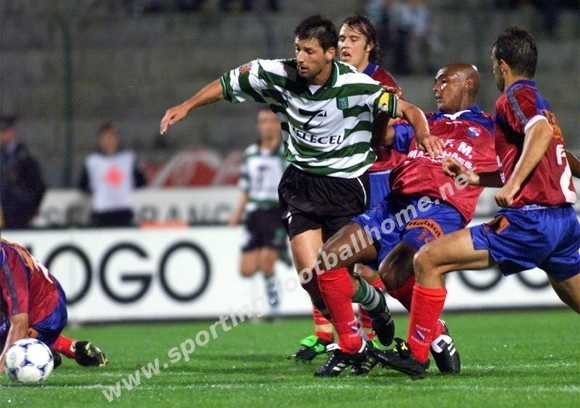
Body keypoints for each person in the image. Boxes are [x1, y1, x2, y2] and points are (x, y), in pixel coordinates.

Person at [160, 14, 440, 368]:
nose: (301, 58)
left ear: (329, 54)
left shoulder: (357, 84)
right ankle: (365, 319)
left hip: (345, 187)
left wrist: (424, 133)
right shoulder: (276, 73)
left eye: (309, 51)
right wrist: (187, 105)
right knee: (311, 280)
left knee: (336, 274)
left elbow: (410, 110)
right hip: (301, 183)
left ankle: (358, 332)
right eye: (298, 50)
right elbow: (228, 83)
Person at [374, 26, 580, 380]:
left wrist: (513, 184)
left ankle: (418, 355)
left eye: (494, 63)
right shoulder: (540, 103)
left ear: (502, 65)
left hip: (530, 220)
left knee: (427, 259)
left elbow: (540, 133)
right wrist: (476, 178)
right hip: (564, 222)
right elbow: (552, 147)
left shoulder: (513, 97)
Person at [312, 62, 498, 377]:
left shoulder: (491, 127)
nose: (436, 88)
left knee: (394, 271)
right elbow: (381, 138)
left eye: (444, 81)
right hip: (393, 206)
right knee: (329, 258)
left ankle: (420, 348)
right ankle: (355, 346)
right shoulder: (424, 121)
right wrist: (383, 110)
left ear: (468, 84)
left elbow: (535, 149)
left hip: (440, 207)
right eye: (436, 82)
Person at [292, 12, 405, 362]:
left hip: (376, 178)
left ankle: (420, 332)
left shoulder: (380, 81)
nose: (345, 45)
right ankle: (341, 333)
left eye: (353, 39)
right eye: (341, 38)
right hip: (332, 182)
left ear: (370, 46)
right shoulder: (327, 78)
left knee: (372, 266)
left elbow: (392, 131)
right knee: (321, 267)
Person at [0, 238, 108, 371]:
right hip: (41, 300)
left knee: (8, 350)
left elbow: (20, 323)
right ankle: (64, 347)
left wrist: (1, 367)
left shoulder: (7, 262)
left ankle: (40, 352)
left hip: (45, 312)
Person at [228, 107, 287, 319]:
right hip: (254, 213)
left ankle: (274, 309)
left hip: (276, 212)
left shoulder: (286, 153)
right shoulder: (250, 154)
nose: (268, 125)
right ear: (258, 126)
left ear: (279, 125)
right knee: (246, 270)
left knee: (266, 263)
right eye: (263, 121)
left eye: (272, 121)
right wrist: (237, 213)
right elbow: (246, 188)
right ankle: (281, 253)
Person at [78, 121, 147, 227]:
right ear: (100, 139)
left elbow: (140, 181)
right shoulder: (92, 161)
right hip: (101, 211)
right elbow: (83, 185)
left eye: (112, 136)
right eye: (106, 137)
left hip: (123, 210)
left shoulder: (128, 158)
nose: (109, 140)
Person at [0, 114, 46, 229]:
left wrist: (32, 207)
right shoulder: (4, 155)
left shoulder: (25, 156)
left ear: (13, 132)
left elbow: (37, 185)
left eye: (4, 131)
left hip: (21, 211)